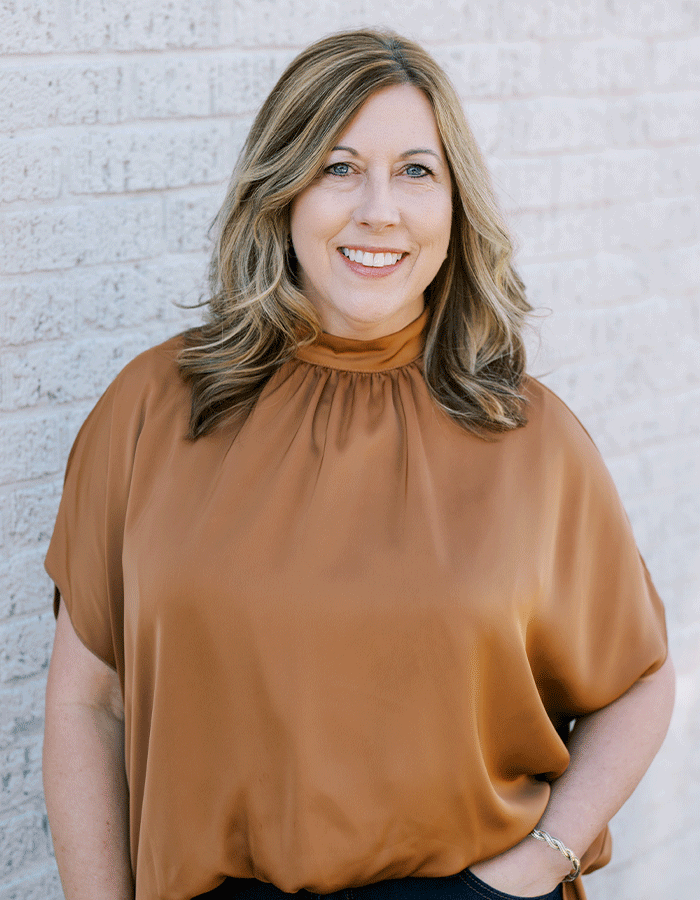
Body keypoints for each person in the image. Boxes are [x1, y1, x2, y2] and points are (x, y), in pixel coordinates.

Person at [43, 28, 674, 900]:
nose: (380, 208)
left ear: (455, 209)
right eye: (339, 167)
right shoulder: (154, 409)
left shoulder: (529, 436)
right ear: (283, 190)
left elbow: (638, 683)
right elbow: (90, 704)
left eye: (417, 171)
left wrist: (532, 870)